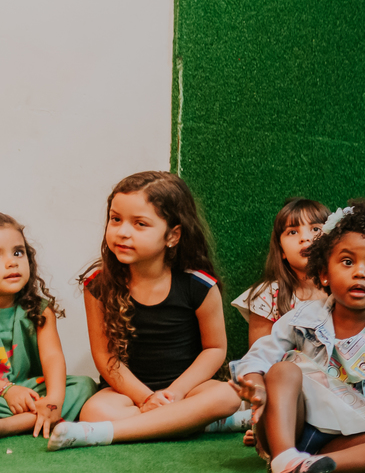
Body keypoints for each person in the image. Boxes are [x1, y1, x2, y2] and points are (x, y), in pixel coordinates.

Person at [229, 201, 365, 473]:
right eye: (347, 262)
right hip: (290, 429)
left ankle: (307, 465)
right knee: (283, 370)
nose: (360, 273)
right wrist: (256, 384)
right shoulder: (302, 317)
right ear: (324, 274)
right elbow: (259, 356)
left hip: (347, 439)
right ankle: (284, 459)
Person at [49, 172, 241, 450]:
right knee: (95, 410)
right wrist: (146, 398)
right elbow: (105, 356)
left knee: (227, 396)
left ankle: (105, 433)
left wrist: (174, 393)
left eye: (140, 224)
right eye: (116, 219)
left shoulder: (199, 285)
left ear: (172, 235)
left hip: (187, 390)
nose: (123, 232)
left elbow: (214, 349)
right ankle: (197, 422)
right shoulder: (98, 285)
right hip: (127, 393)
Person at [0, 214, 97, 438]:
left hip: (30, 390)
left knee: (84, 386)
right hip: (3, 393)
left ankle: (13, 424)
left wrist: (53, 400)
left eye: (18, 252)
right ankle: (38, 419)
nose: (12, 262)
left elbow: (52, 358)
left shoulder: (39, 311)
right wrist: (7, 390)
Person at [232, 198, 330, 347]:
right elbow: (260, 356)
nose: (305, 238)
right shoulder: (267, 296)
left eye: (315, 229)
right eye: (293, 232)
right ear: (281, 250)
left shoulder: (344, 288)